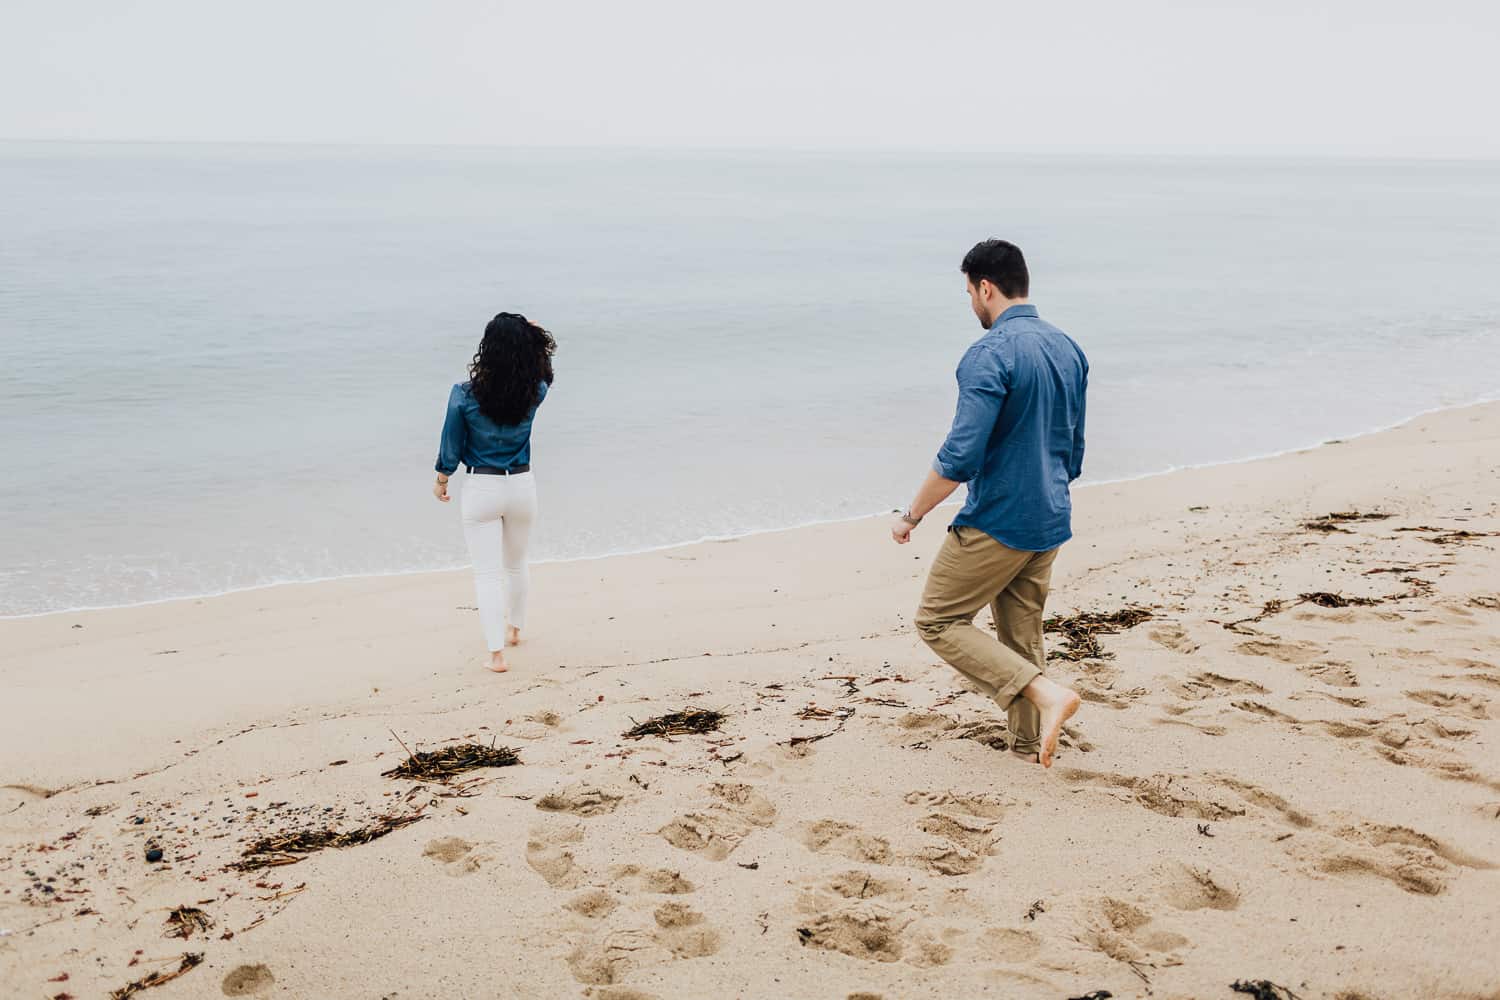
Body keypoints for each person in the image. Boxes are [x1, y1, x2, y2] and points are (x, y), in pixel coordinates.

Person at [893, 240, 1087, 768]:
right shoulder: (1067, 347)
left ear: (985, 287)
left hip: (1000, 518)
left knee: (937, 620)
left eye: (969, 293)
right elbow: (1074, 448)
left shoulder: (990, 353)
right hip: (1050, 512)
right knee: (1021, 632)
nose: (972, 304)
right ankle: (1029, 747)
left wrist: (911, 516)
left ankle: (1046, 695)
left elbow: (959, 455)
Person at [433, 312, 555, 673]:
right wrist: (534, 335)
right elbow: (547, 372)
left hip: (481, 487)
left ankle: (496, 655)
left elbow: (450, 445)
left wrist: (442, 479)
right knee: (516, 564)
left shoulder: (464, 394)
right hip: (521, 485)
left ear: (487, 348)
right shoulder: (534, 392)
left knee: (486, 575)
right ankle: (515, 629)